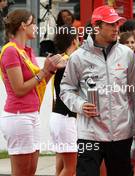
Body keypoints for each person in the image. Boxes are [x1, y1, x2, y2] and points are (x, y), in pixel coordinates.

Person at [60, 5, 135, 176]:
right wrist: (81, 105)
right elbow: (66, 89)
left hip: (121, 134)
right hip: (89, 134)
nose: (115, 28)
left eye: (117, 24)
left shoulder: (127, 54)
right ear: (97, 26)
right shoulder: (78, 57)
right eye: (111, 24)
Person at [0, 9, 63, 176]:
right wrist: (43, 71)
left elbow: (39, 83)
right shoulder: (10, 51)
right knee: (22, 173)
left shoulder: (27, 51)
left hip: (30, 114)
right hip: (18, 115)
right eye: (33, 23)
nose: (36, 27)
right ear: (23, 26)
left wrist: (50, 70)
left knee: (30, 171)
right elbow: (19, 89)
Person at [49, 25, 79, 176]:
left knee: (61, 168)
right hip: (66, 119)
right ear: (74, 41)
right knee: (70, 169)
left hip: (57, 117)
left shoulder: (61, 60)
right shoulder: (71, 61)